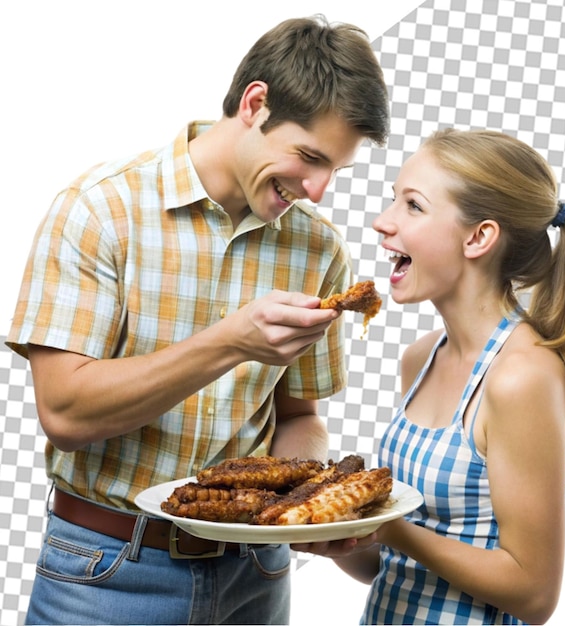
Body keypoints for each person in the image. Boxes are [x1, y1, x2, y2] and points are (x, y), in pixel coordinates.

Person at [5, 15, 389, 626]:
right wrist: (231, 341)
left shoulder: (319, 251)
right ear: (255, 103)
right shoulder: (102, 211)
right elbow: (65, 415)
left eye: (335, 170)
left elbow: (301, 418)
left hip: (255, 576)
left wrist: (307, 503)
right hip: (106, 571)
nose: (317, 189)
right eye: (309, 156)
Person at [292, 128, 565, 625]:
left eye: (414, 206)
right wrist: (337, 537)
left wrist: (389, 525)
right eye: (393, 202)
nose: (384, 222)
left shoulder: (520, 378)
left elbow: (534, 594)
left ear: (478, 237)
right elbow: (392, 567)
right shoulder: (421, 358)